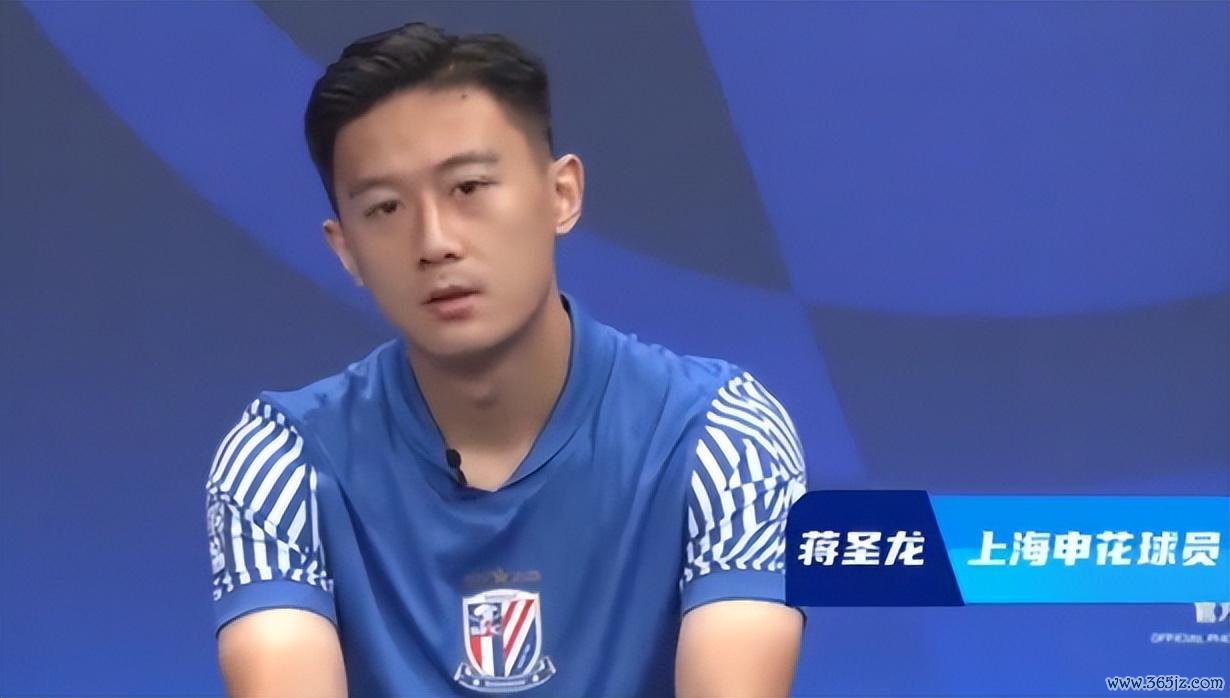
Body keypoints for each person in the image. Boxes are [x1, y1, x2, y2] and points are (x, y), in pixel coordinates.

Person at [205, 21, 807, 697]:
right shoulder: (283, 461)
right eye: (385, 208)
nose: (434, 242)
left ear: (562, 195)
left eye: (467, 188)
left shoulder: (722, 437)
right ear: (345, 250)